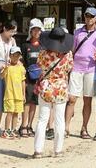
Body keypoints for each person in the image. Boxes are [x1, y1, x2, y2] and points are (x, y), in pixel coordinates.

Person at [33, 26, 74, 159]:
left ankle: (38, 150)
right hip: (61, 87)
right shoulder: (67, 55)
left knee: (42, 120)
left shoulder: (43, 53)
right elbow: (69, 69)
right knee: (59, 120)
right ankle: (58, 150)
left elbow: (39, 67)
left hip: (45, 87)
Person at [65, 7, 96, 139]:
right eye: (87, 16)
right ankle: (66, 127)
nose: (89, 19)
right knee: (72, 99)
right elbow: (72, 50)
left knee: (87, 100)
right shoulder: (78, 32)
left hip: (91, 68)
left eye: (92, 16)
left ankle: (84, 128)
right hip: (77, 67)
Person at [21, 18, 44, 137]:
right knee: (27, 102)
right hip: (28, 78)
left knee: (34, 103)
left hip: (39, 79)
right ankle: (23, 125)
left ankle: (30, 125)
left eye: (38, 30)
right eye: (34, 30)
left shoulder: (43, 46)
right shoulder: (25, 45)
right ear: (30, 31)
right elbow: (22, 62)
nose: (36, 32)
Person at [0, 46, 26, 139]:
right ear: (10, 56)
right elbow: (1, 76)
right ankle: (6, 130)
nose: (15, 57)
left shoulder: (21, 68)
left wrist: (23, 94)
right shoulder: (8, 67)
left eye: (17, 55)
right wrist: (5, 68)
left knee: (16, 113)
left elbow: (23, 81)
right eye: (14, 55)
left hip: (18, 95)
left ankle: (13, 129)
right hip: (9, 94)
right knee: (10, 112)